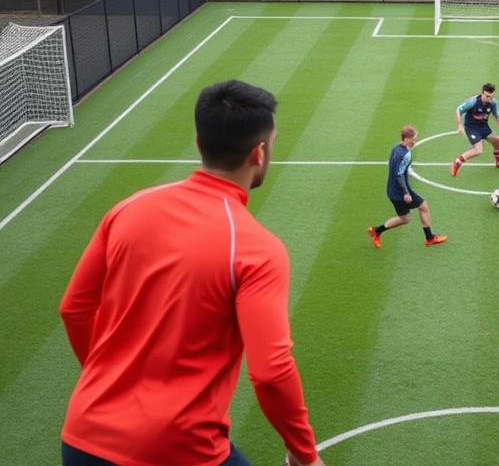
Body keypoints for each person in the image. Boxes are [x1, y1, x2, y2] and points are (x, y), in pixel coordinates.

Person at [59, 80, 324, 466]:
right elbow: (270, 372)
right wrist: (305, 454)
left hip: (83, 439)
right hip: (178, 448)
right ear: (260, 152)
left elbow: (74, 309)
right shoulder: (256, 249)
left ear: (199, 143)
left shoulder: (128, 209)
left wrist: (112, 385)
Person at [369, 125, 448, 248]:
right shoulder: (405, 154)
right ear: (406, 139)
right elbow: (399, 174)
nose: (415, 141)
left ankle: (376, 231)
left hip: (392, 190)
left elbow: (395, 168)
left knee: (404, 219)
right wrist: (406, 192)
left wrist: (407, 171)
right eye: (414, 138)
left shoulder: (396, 149)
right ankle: (430, 238)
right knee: (423, 206)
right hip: (400, 191)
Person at [450, 82, 499, 176]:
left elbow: (497, 115)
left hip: (483, 126)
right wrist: (459, 125)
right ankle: (457, 163)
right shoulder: (473, 101)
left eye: (491, 96)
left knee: (497, 140)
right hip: (471, 127)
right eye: (487, 96)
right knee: (478, 150)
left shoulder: (493, 102)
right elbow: (458, 110)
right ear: (482, 93)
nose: (489, 99)